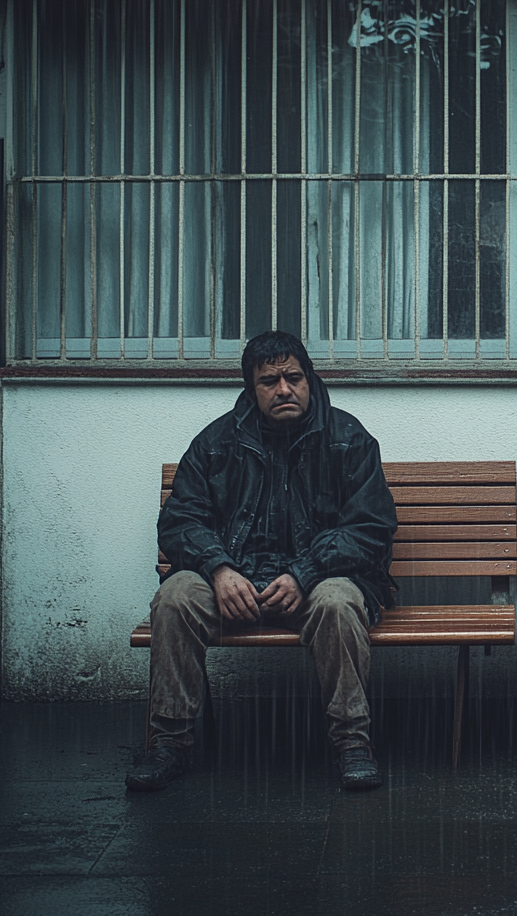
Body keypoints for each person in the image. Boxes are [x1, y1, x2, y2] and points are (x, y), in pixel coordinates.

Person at [126, 331, 397, 792]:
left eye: (293, 377)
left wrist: (305, 571)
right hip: (234, 583)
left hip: (319, 583)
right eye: (269, 381)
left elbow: (371, 527)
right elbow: (179, 520)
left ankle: (352, 744)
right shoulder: (216, 443)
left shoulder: (348, 439)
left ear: (309, 379)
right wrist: (217, 568)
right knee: (174, 597)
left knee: (337, 601)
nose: (284, 389)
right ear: (252, 388)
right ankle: (169, 745)